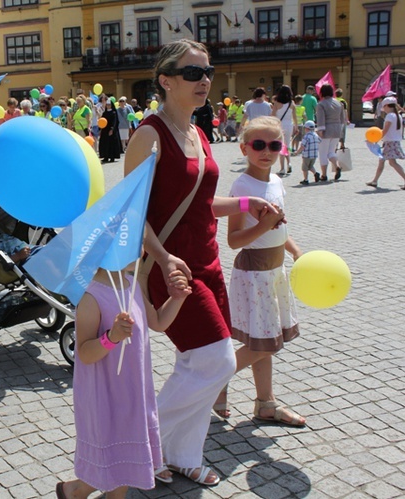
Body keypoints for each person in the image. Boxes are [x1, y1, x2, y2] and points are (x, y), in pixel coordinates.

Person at [124, 39, 281, 486]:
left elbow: (201, 203)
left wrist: (248, 202)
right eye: (192, 73)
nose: (204, 80)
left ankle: (182, 454)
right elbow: (131, 214)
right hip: (169, 268)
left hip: (207, 262)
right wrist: (163, 255)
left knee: (196, 363)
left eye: (208, 71)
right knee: (216, 361)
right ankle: (143, 442)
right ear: (166, 80)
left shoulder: (198, 133)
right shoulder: (148, 134)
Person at [56, 265, 192, 499]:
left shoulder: (133, 284)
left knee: (125, 465)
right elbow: (86, 354)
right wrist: (111, 337)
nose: (140, 248)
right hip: (105, 396)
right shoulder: (91, 297)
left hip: (134, 391)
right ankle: (76, 491)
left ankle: (75, 490)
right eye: (133, 240)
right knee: (113, 458)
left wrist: (177, 298)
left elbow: (158, 322)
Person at [212, 116, 305, 427]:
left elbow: (280, 225)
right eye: (259, 145)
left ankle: (265, 403)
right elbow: (233, 240)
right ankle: (215, 380)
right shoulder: (242, 185)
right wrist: (264, 225)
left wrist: (294, 249)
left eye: (274, 145)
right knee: (264, 342)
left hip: (275, 271)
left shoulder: (276, 181)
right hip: (254, 273)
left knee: (262, 341)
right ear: (244, 148)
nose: (267, 151)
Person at [366, 96, 405, 189]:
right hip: (393, 141)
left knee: (392, 163)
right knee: (382, 161)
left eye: (384, 107)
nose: (384, 110)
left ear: (387, 106)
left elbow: (385, 130)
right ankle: (375, 181)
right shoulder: (398, 115)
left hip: (390, 142)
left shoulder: (390, 116)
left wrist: (375, 139)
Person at [316, 84, 346, 181]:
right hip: (337, 129)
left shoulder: (321, 104)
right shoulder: (339, 103)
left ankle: (324, 175)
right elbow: (342, 119)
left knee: (323, 153)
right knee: (331, 152)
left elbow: (321, 119)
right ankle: (337, 165)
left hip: (326, 130)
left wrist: (320, 130)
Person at [271, 85, 297, 175]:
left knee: (281, 146)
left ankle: (282, 168)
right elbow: (294, 116)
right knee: (287, 145)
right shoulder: (292, 103)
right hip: (289, 125)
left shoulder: (277, 103)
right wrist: (296, 126)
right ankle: (289, 163)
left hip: (280, 125)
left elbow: (273, 115)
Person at [98, 99, 121, 163]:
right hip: (105, 131)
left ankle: (112, 157)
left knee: (111, 144)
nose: (108, 106)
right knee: (105, 144)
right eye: (107, 105)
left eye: (109, 105)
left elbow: (114, 122)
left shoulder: (113, 113)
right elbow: (102, 121)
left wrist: (112, 129)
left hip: (111, 131)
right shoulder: (104, 113)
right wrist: (100, 129)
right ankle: (106, 157)